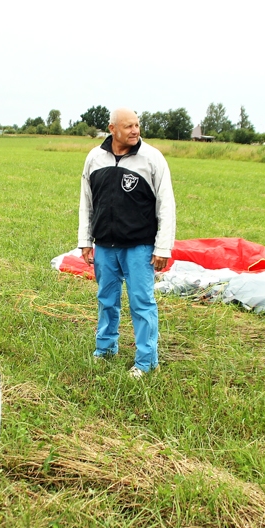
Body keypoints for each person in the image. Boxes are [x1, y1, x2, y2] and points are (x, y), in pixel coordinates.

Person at [77, 107, 176, 378]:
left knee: (142, 303)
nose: (135, 131)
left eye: (137, 125)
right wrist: (85, 241)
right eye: (129, 126)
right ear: (113, 129)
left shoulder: (152, 158)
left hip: (140, 246)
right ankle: (105, 349)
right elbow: (87, 202)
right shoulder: (95, 158)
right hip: (105, 245)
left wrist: (163, 247)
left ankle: (146, 361)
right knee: (106, 300)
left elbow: (166, 205)